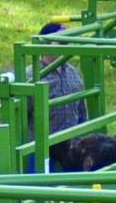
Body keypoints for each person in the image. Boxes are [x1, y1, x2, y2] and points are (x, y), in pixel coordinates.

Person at [17, 22, 87, 172]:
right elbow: (19, 118)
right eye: (61, 41)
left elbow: (81, 112)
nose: (65, 46)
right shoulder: (30, 76)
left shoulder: (74, 73)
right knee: (38, 189)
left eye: (67, 42)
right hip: (41, 147)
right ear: (45, 44)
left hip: (72, 146)